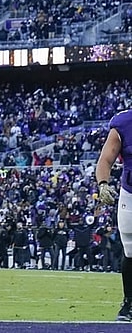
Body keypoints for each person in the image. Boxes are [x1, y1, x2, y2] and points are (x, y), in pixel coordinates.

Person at [96, 109, 132, 322]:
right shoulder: (124, 123)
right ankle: (129, 302)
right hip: (130, 193)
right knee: (130, 250)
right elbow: (105, 160)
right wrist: (102, 184)